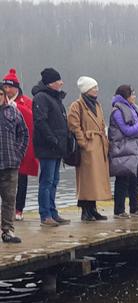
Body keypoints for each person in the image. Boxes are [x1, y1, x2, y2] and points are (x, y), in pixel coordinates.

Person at [67, 77, 112, 222]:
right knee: (86, 180)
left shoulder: (97, 104)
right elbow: (74, 126)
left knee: (96, 181)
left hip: (98, 146)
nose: (96, 90)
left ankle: (93, 209)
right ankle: (85, 211)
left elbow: (102, 123)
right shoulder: (77, 105)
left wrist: (105, 141)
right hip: (87, 146)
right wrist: (83, 142)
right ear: (86, 89)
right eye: (94, 87)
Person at [32, 67, 70, 227]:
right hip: (47, 147)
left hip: (57, 147)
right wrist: (53, 140)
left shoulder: (55, 98)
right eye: (57, 81)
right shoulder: (41, 98)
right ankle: (45, 214)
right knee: (46, 181)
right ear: (50, 83)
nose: (61, 83)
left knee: (54, 181)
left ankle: (53, 212)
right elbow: (40, 122)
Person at [2, 69, 38, 222]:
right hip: (4, 150)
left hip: (20, 151)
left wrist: (18, 108)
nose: (7, 90)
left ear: (16, 87)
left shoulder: (26, 102)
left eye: (10, 87)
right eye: (5, 87)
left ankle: (19, 210)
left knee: (21, 180)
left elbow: (31, 121)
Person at [108, 85, 138, 219]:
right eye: (132, 94)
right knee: (122, 180)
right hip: (122, 150)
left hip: (133, 149)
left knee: (134, 180)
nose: (134, 97)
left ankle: (135, 209)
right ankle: (119, 211)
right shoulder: (117, 111)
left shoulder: (133, 109)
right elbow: (126, 130)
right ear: (125, 96)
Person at [0, 85, 28, 243]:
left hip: (10, 163)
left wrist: (18, 154)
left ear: (4, 96)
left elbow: (24, 133)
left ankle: (8, 231)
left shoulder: (13, 112)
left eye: (1, 94)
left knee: (9, 199)